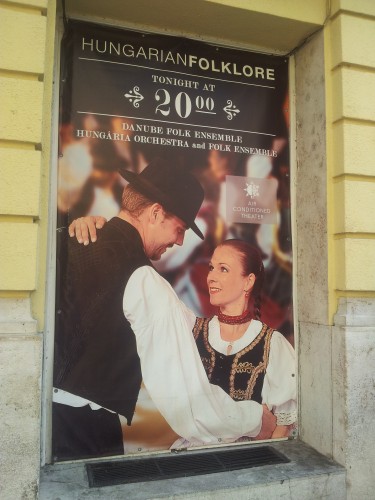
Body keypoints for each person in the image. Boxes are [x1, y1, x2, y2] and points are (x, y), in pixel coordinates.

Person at [53, 158, 276, 461]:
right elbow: (186, 398)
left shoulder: (62, 240)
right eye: (180, 227)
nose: (180, 241)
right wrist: (255, 420)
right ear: (156, 212)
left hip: (38, 422)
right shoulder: (144, 279)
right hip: (83, 435)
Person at [194, 239, 296, 440]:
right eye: (211, 268)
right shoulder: (194, 332)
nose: (211, 277)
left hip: (249, 460)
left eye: (223, 269)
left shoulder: (272, 343)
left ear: (248, 281)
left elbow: (282, 426)